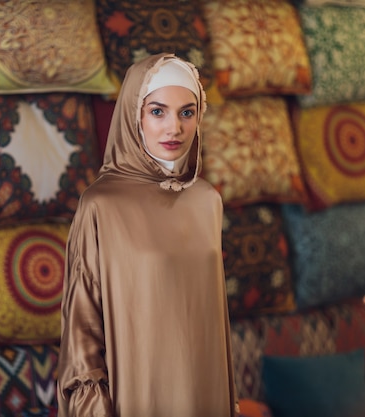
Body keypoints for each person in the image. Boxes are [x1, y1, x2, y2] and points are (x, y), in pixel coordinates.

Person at [56, 53, 237, 417]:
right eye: (158, 112)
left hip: (206, 394)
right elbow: (82, 331)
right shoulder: (101, 205)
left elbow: (215, 321)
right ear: (133, 115)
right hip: (139, 399)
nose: (174, 128)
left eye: (187, 112)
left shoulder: (207, 201)